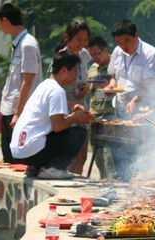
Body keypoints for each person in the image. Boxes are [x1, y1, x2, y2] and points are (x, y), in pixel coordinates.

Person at [10, 51, 95, 179]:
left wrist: (72, 107)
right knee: (79, 132)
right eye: (75, 71)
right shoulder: (57, 90)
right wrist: (76, 118)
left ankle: (35, 167)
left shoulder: (45, 85)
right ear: (64, 70)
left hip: (19, 151)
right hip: (31, 151)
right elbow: (58, 126)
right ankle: (53, 169)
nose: (76, 76)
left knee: (58, 131)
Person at [0, 3, 42, 163]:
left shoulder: (28, 44)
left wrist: (18, 113)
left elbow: (27, 82)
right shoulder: (18, 43)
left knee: (17, 160)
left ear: (5, 21)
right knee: (8, 159)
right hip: (8, 108)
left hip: (18, 111)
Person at [53, 19, 92, 175]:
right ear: (67, 37)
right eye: (78, 40)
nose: (81, 44)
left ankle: (78, 187)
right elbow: (55, 90)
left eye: (85, 40)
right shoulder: (61, 58)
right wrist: (73, 106)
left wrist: (86, 88)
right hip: (67, 109)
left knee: (82, 156)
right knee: (71, 156)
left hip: (82, 106)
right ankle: (67, 187)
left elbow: (85, 79)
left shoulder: (84, 54)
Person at [107, 19, 155, 119]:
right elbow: (113, 76)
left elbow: (150, 86)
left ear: (136, 35)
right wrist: (111, 86)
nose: (123, 46)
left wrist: (135, 101)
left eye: (126, 41)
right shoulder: (117, 51)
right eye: (119, 42)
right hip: (120, 107)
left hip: (142, 110)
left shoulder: (150, 54)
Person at [86, 36, 115, 179]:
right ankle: (103, 180)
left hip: (111, 115)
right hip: (95, 116)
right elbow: (91, 92)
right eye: (91, 55)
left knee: (109, 153)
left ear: (106, 50)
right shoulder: (92, 68)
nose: (94, 57)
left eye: (97, 53)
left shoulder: (114, 66)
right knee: (97, 154)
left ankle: (112, 181)